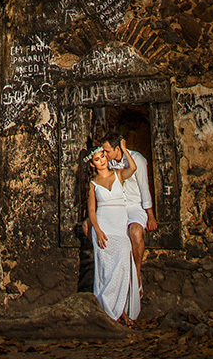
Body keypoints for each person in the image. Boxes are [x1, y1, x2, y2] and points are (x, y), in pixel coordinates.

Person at [86, 137, 141, 325]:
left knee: (123, 267)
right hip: (103, 225)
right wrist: (98, 231)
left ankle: (122, 310)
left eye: (103, 157)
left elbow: (132, 169)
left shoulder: (118, 174)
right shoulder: (93, 184)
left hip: (119, 225)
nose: (101, 160)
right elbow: (92, 211)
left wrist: (125, 150)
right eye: (97, 159)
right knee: (105, 270)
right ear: (92, 164)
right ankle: (109, 311)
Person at [112, 122, 158, 291]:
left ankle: (136, 275)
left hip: (134, 206)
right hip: (117, 206)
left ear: (117, 148)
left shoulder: (136, 158)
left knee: (136, 232)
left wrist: (150, 216)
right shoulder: (107, 162)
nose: (106, 154)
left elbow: (144, 187)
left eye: (109, 150)